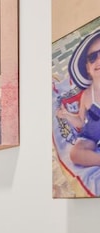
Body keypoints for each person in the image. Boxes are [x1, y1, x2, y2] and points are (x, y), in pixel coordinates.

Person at [57, 30, 100, 166]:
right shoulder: (87, 95)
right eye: (93, 57)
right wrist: (67, 115)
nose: (98, 60)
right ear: (87, 68)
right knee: (75, 153)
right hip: (92, 137)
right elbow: (81, 121)